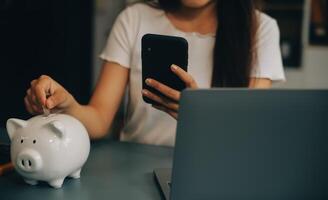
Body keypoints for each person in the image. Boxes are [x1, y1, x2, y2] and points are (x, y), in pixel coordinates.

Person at [24, 0, 285, 146]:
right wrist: (66, 104)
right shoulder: (134, 18)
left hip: (216, 169)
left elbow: (251, 136)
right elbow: (100, 121)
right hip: (133, 168)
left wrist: (202, 117)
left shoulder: (261, 30)